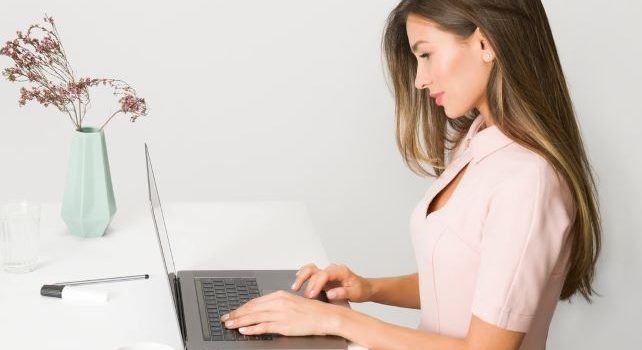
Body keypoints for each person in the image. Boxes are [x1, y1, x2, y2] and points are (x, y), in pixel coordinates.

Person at [219, 0, 602, 349]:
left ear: (485, 44)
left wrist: (336, 319)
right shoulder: (476, 142)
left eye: (426, 55)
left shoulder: (527, 181)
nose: (419, 79)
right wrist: (368, 288)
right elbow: (462, 283)